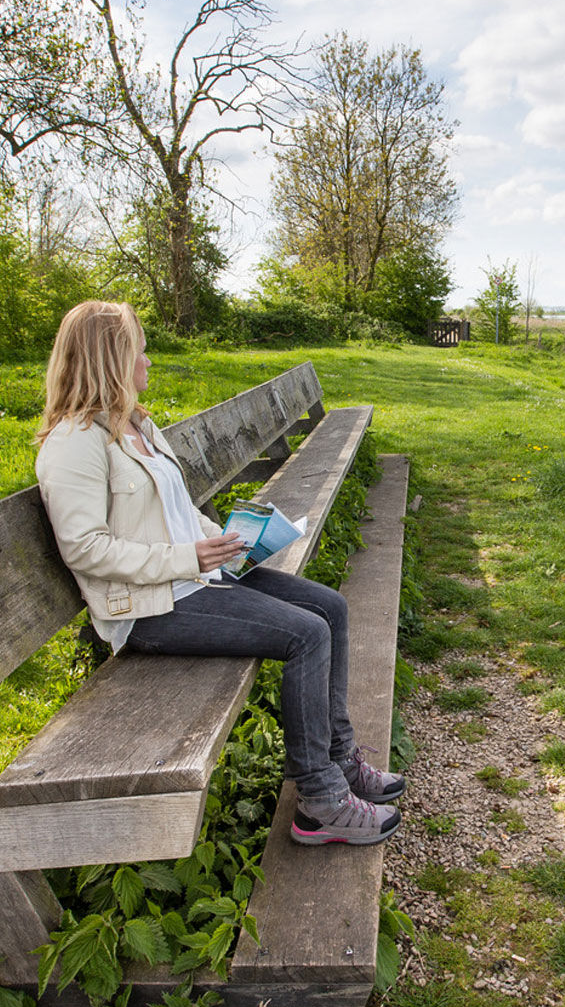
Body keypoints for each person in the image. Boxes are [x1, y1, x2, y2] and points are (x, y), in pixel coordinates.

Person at [35, 300, 405, 846]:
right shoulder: (74, 445)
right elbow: (86, 549)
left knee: (330, 606)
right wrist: (188, 558)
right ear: (112, 358)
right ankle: (321, 801)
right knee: (307, 634)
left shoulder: (135, 426)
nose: (148, 361)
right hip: (148, 609)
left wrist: (225, 542)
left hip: (194, 578)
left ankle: (340, 759)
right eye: (140, 349)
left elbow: (177, 514)